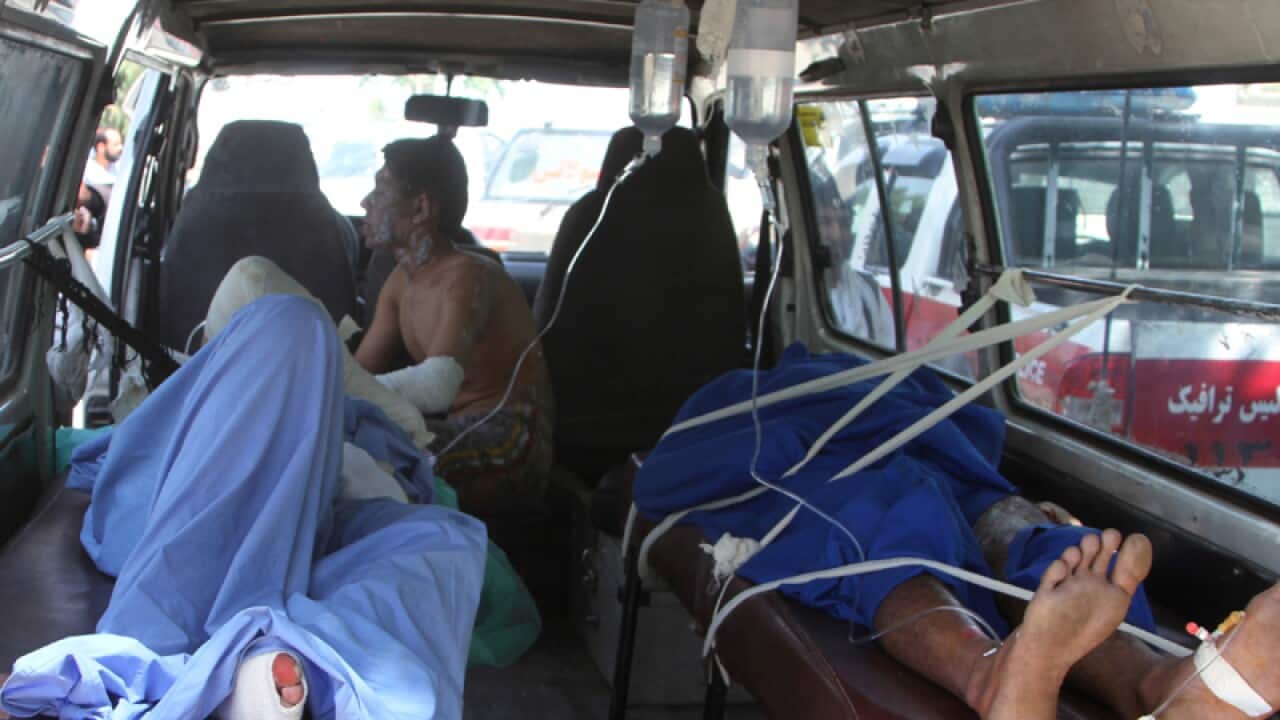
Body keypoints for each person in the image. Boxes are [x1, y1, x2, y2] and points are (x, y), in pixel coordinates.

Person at [634, 345, 1280, 719]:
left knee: (989, 527)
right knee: (916, 519)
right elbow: (700, 465)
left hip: (939, 467)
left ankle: (1124, 680)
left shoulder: (887, 387)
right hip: (867, 470)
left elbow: (965, 445)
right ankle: (1051, 672)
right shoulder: (748, 398)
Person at [2, 294, 487, 720]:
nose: (366, 203)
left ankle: (269, 667)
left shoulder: (348, 409)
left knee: (444, 537)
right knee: (292, 325)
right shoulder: (255, 357)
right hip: (196, 500)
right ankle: (183, 662)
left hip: (320, 509)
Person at [355, 137, 553, 518]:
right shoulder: (400, 281)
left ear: (421, 207)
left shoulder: (467, 277)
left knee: (385, 462)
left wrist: (334, 396)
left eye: (381, 190)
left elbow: (436, 385)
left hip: (513, 435)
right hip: (458, 425)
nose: (366, 202)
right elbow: (360, 375)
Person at [84, 127, 122, 193]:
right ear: (101, 147)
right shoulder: (87, 173)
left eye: (121, 144)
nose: (120, 148)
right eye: (116, 144)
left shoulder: (120, 168)